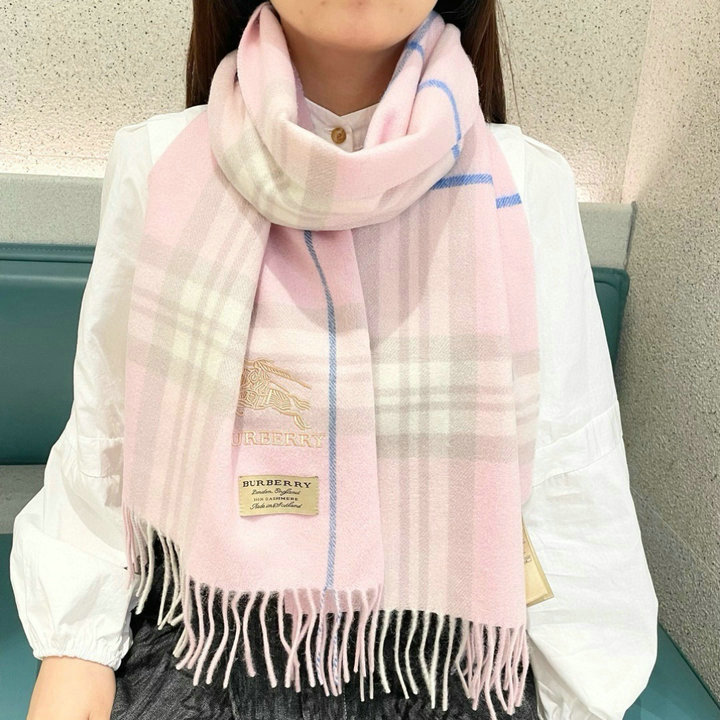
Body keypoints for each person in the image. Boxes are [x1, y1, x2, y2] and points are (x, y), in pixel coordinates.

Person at [10, 1, 658, 719]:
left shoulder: (525, 179)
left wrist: (582, 693)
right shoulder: (160, 159)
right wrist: (75, 651)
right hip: (211, 643)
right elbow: (109, 435)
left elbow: (571, 467)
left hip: (441, 661)